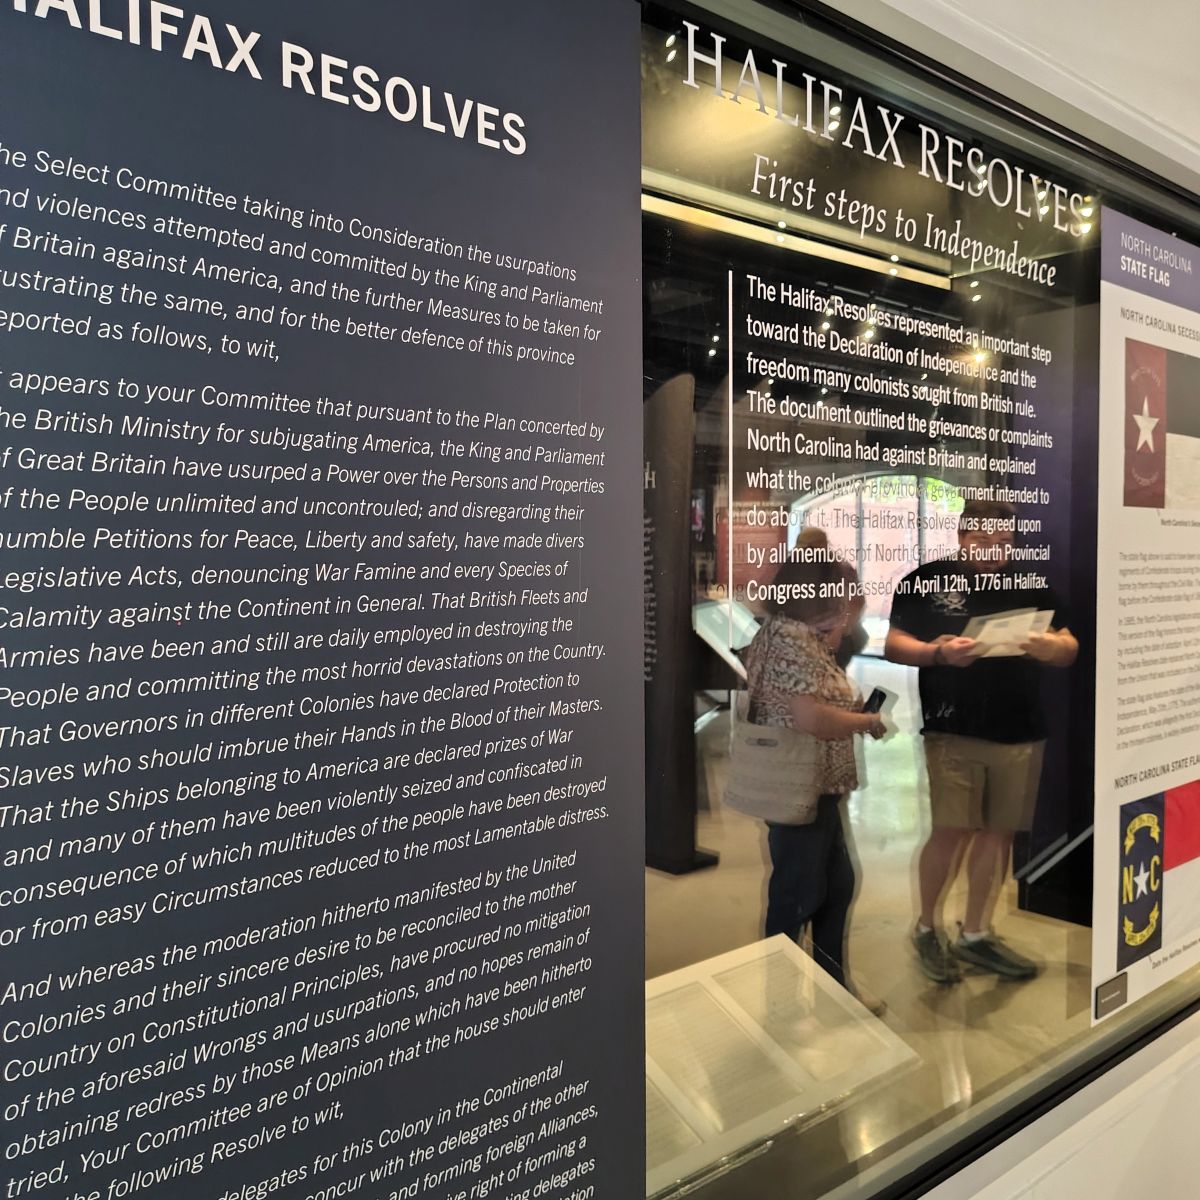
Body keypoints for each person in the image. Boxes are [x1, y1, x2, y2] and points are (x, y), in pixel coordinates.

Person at [885, 499, 1078, 983]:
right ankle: (927, 927)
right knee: (952, 830)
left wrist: (1053, 647)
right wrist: (938, 653)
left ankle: (975, 933)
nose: (994, 552)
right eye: (983, 542)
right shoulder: (927, 580)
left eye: (1003, 543)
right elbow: (893, 645)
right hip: (953, 729)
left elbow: (1069, 646)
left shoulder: (1029, 582)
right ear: (961, 535)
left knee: (999, 833)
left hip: (1019, 730)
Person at [744, 551, 886, 996]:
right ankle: (784, 1002)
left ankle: (832, 988)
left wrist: (850, 711)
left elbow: (813, 705)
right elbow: (810, 718)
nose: (850, 601)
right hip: (801, 789)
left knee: (833, 886)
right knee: (799, 896)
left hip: (816, 788)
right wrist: (864, 722)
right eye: (843, 591)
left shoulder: (793, 634)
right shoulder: (792, 640)